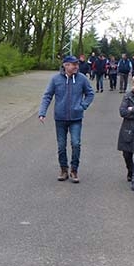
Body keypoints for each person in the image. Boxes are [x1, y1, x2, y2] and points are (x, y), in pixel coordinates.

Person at [38, 55, 95, 183]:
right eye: (73, 64)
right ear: (65, 65)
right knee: (61, 145)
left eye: (77, 64)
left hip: (76, 118)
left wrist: (83, 106)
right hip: (60, 118)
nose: (76, 66)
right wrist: (42, 112)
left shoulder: (82, 78)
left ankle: (74, 170)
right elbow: (47, 96)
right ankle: (63, 169)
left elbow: (90, 93)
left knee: (76, 143)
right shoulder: (56, 79)